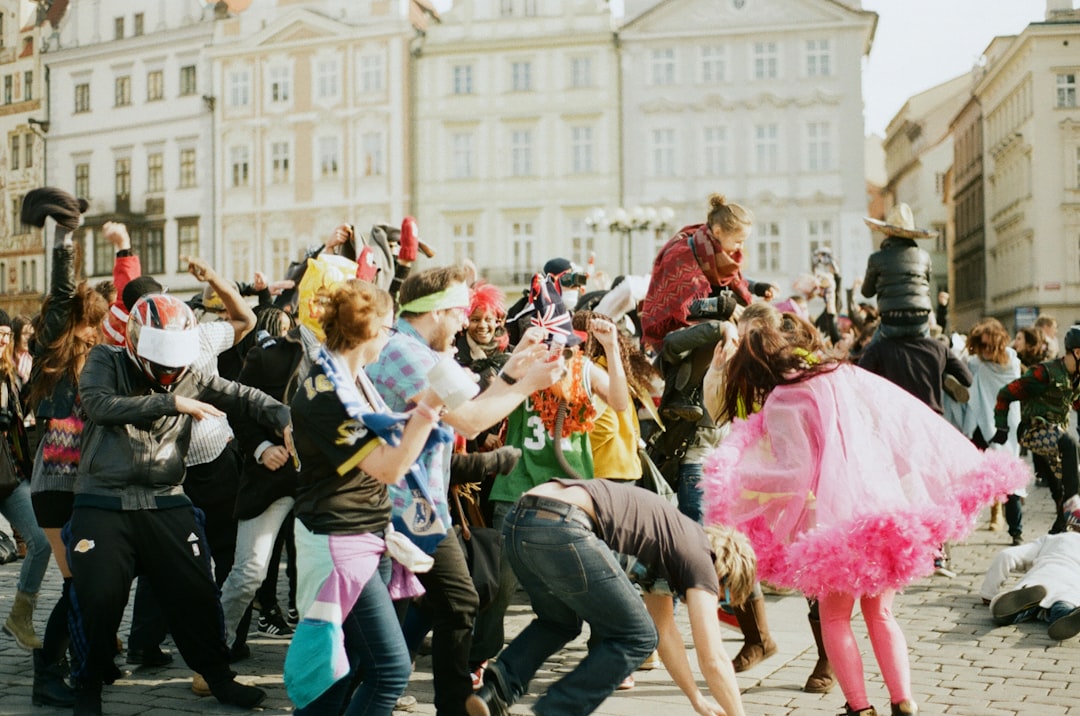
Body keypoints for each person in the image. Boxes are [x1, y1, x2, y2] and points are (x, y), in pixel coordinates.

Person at [704, 321, 1030, 716]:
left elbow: (794, 472)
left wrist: (742, 474)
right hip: (881, 508)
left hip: (837, 524)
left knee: (835, 617)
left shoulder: (783, 400)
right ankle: (903, 700)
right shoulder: (837, 376)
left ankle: (860, 708)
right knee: (881, 612)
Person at [68, 293, 291, 714]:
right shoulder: (105, 359)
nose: (170, 373)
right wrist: (171, 402)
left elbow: (244, 396)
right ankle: (87, 685)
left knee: (198, 592)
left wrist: (286, 418)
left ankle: (218, 677)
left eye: (176, 362)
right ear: (136, 342)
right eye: (162, 360)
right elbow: (99, 405)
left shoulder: (190, 372)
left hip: (165, 497)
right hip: (103, 497)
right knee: (98, 596)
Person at [367, 266, 565, 716]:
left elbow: (471, 406)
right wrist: (529, 384)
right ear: (436, 312)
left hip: (417, 504)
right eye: (461, 312)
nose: (465, 322)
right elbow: (472, 421)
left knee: (444, 606)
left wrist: (514, 367)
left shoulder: (416, 350)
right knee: (451, 604)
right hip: (404, 506)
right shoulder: (407, 355)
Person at [283, 279, 447, 715]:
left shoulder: (350, 380)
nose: (390, 339)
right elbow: (390, 467)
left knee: (347, 669)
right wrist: (430, 407)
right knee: (388, 669)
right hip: (340, 541)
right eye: (390, 329)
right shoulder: (327, 393)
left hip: (365, 533)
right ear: (372, 329)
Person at [466, 479, 754, 716]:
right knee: (637, 636)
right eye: (722, 597)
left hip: (520, 518)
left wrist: (696, 699)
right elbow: (713, 658)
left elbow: (666, 634)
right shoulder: (702, 559)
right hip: (562, 523)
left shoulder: (673, 544)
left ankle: (496, 692)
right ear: (725, 574)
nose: (715, 602)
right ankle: (558, 709)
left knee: (559, 621)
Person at [23, 188, 105, 709]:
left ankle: (84, 659)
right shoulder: (57, 354)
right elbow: (61, 292)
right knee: (77, 583)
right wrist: (67, 237)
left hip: (84, 485)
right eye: (91, 322)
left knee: (89, 581)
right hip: (54, 486)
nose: (97, 331)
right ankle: (46, 675)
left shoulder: (94, 364)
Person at [993, 325, 1080, 534]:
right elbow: (1005, 393)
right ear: (1077, 352)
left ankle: (1060, 528)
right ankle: (1073, 506)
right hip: (1032, 432)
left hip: (1055, 437)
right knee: (1070, 444)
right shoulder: (1044, 373)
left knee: (1064, 485)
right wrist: (1002, 426)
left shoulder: (1075, 379)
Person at [0, 309, 50, 651]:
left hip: (9, 473)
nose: (3, 341)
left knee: (41, 541)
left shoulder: (8, 375)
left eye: (6, 335)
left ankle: (20, 616)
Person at [960, 319, 1025, 543]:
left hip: (1003, 424)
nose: (986, 350)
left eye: (990, 345)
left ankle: (1016, 531)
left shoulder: (1011, 362)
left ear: (998, 343)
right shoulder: (975, 363)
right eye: (982, 345)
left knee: (1009, 478)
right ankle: (964, 524)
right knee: (972, 475)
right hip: (978, 423)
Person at [978, 522, 1080, 641]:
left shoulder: (1051, 539)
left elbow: (1006, 555)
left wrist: (988, 593)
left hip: (1040, 579)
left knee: (1015, 610)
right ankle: (1068, 614)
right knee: (1062, 607)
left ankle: (1007, 613)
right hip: (1070, 586)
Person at [860, 203, 935, 340]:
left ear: (887, 233)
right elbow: (925, 286)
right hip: (920, 319)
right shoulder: (924, 257)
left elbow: (867, 292)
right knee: (931, 349)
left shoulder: (877, 258)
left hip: (892, 320)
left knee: (869, 351)